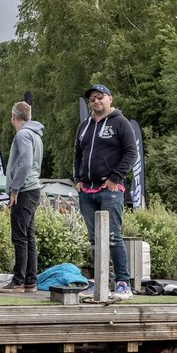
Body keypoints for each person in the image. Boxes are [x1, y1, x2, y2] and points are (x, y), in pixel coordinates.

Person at [74, 84, 137, 300]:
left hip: (109, 189)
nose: (96, 101)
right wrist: (77, 179)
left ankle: (123, 283)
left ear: (110, 98)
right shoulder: (84, 126)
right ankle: (100, 283)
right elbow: (78, 154)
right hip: (87, 191)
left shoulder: (121, 123)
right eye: (92, 98)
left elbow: (131, 152)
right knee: (94, 239)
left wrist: (115, 177)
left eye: (100, 97)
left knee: (112, 237)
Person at [0, 101, 44, 293]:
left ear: (13, 117)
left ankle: (18, 281)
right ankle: (29, 281)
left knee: (19, 237)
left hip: (24, 191)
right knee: (29, 236)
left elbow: (24, 163)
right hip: (34, 189)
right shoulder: (35, 134)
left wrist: (14, 189)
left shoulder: (23, 134)